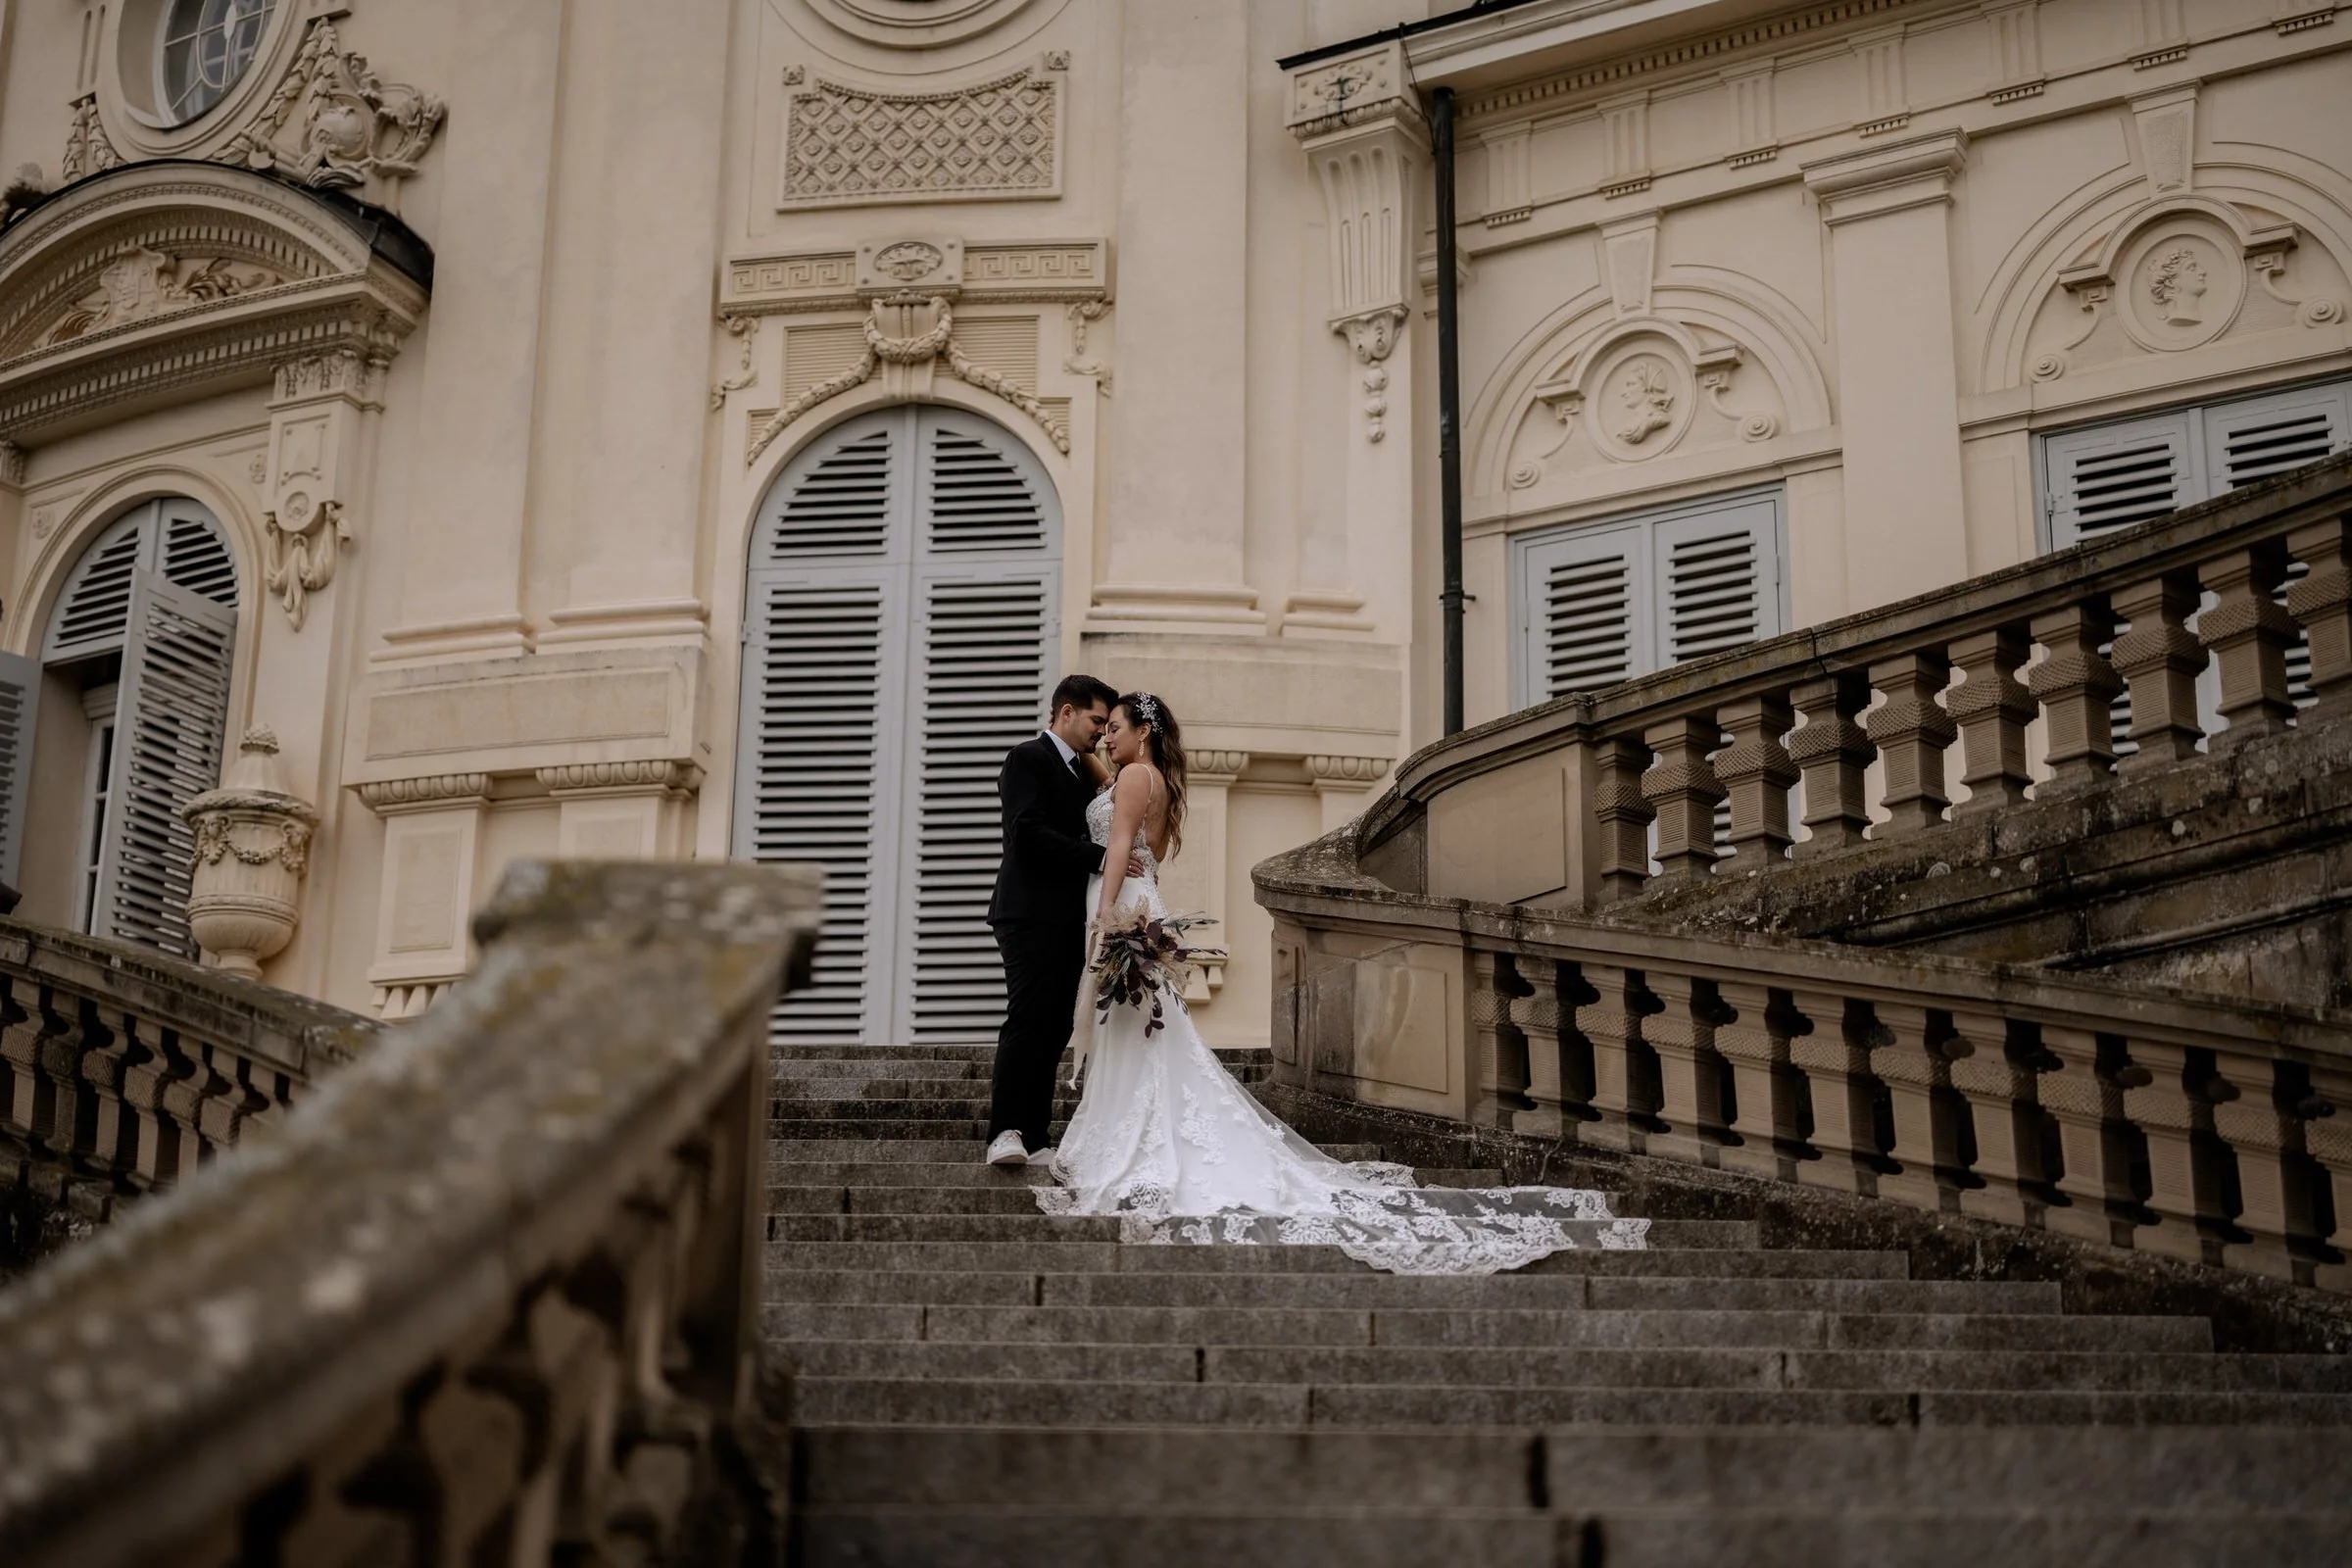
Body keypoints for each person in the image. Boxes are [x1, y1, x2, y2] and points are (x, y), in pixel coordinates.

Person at [1036, 691, 1650, 1274]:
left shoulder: (1136, 778)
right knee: (1147, 1025)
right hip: (1148, 901)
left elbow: (1120, 846)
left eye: (1114, 728)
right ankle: (1127, 1124)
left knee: (1139, 1024)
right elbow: (1150, 844)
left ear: (1142, 732)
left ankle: (1128, 1138)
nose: (1105, 737)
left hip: (1122, 904)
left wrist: (1104, 916)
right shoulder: (1151, 779)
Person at [983, 673, 1135, 1168]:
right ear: (1064, 712)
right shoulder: (1027, 758)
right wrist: (1100, 856)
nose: (1100, 732)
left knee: (1054, 1026)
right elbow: (1026, 833)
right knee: (1029, 1018)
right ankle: (1004, 1131)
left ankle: (1035, 1134)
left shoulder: (1080, 770)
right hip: (1027, 912)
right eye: (1095, 720)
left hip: (1069, 917)